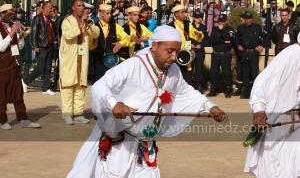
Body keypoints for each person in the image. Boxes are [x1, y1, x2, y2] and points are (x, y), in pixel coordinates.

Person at [67, 25, 227, 177]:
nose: (173, 57)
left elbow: (188, 93)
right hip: (120, 145)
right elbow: (100, 86)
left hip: (146, 147)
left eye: (176, 52)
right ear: (155, 46)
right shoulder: (133, 65)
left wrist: (210, 107)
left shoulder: (174, 71)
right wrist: (114, 104)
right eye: (169, 51)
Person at [244, 36, 300, 178]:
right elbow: (262, 82)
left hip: (296, 124)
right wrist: (259, 109)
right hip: (279, 121)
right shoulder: (290, 55)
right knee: (274, 167)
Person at [59, 0, 100, 125]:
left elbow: (96, 34)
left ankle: (78, 113)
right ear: (73, 7)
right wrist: (81, 26)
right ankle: (67, 114)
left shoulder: (88, 21)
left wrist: (89, 24)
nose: (82, 8)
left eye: (83, 5)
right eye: (79, 5)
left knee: (80, 86)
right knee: (68, 85)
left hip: (83, 57)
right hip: (69, 59)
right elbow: (68, 35)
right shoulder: (67, 21)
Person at [0, 3, 41, 130]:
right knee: (1, 94)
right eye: (9, 14)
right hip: (3, 66)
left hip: (15, 64)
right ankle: (2, 121)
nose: (11, 16)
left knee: (18, 94)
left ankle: (23, 119)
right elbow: (1, 47)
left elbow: (19, 46)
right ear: (2, 15)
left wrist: (21, 37)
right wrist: (11, 33)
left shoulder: (13, 25)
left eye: (12, 14)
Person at [22, 1, 57, 95]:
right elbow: (33, 33)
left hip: (49, 46)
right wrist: (34, 46)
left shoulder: (50, 19)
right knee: (40, 68)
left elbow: (52, 32)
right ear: (44, 8)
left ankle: (46, 88)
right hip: (41, 46)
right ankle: (25, 81)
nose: (51, 9)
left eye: (52, 8)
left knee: (48, 68)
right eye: (50, 8)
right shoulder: (37, 18)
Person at [93, 4, 130, 82]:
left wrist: (121, 43)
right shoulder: (94, 26)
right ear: (100, 13)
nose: (110, 15)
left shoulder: (115, 26)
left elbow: (127, 38)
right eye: (107, 13)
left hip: (112, 61)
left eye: (110, 13)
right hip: (98, 62)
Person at [168, 5, 204, 85]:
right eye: (182, 12)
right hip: (175, 55)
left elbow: (195, 34)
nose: (185, 14)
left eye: (185, 12)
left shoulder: (188, 24)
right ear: (176, 14)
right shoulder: (170, 26)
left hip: (186, 55)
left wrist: (199, 34)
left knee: (187, 78)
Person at [236, 11, 264, 99]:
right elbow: (236, 38)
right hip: (244, 53)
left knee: (254, 73)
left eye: (246, 18)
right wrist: (238, 45)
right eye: (244, 18)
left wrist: (261, 45)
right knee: (245, 73)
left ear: (250, 19)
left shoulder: (257, 27)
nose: (244, 20)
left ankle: (255, 93)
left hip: (254, 53)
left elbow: (266, 36)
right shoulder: (240, 28)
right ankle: (246, 93)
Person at [208, 14, 235, 98]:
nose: (221, 23)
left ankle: (228, 91)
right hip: (215, 54)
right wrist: (224, 41)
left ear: (226, 21)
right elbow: (212, 40)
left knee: (227, 73)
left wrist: (221, 32)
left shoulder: (230, 29)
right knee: (213, 73)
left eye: (223, 21)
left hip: (225, 54)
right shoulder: (215, 29)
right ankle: (213, 91)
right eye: (219, 21)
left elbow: (230, 40)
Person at [192, 11, 209, 92]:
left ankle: (199, 86)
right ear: (194, 18)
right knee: (190, 69)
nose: (199, 19)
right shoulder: (190, 26)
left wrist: (201, 45)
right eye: (198, 17)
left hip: (200, 51)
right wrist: (191, 45)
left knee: (199, 68)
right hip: (191, 50)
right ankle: (190, 86)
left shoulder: (204, 27)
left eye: (200, 17)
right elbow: (186, 38)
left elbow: (207, 39)